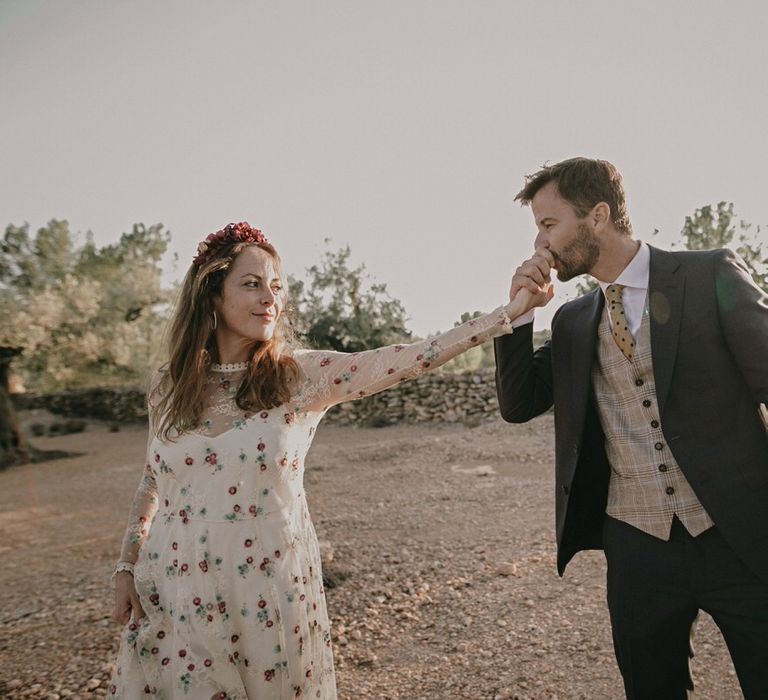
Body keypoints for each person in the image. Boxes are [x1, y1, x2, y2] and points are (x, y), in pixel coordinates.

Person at [109, 221, 544, 698]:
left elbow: (410, 357)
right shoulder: (168, 385)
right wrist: (126, 567)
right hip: (176, 583)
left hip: (265, 589)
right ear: (212, 294)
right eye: (252, 285)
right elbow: (153, 479)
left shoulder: (299, 377)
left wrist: (510, 312)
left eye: (276, 287)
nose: (268, 299)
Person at [494, 157, 768, 699]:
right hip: (638, 547)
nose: (539, 245)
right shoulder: (573, 321)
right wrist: (520, 313)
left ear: (597, 216)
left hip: (737, 531)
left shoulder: (708, 274)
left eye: (549, 225)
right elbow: (519, 403)